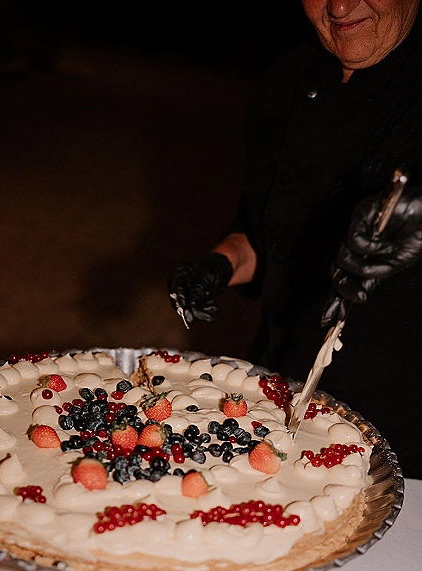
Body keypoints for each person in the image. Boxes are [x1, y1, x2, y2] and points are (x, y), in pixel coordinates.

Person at [168, 0, 422, 478]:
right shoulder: (284, 80)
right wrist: (224, 261)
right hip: (277, 387)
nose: (340, 6)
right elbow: (271, 232)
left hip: (403, 417)